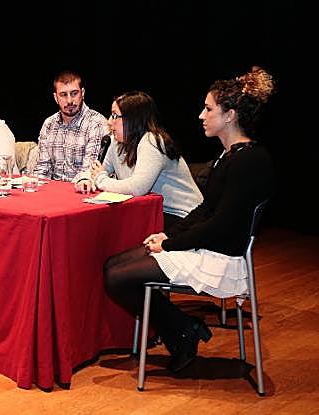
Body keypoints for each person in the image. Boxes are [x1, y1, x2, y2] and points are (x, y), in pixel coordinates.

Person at [102, 66, 275, 373]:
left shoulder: (249, 161)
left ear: (229, 115)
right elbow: (205, 210)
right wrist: (167, 237)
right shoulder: (229, 156)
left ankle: (181, 330)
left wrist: (172, 244)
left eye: (208, 109)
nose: (201, 115)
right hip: (205, 244)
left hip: (221, 257)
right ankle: (182, 329)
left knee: (117, 277)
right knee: (112, 266)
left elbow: (222, 225)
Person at [76, 90, 203, 231]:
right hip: (152, 211)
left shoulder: (151, 141)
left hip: (183, 216)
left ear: (133, 119)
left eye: (115, 116)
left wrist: (100, 179)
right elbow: (99, 170)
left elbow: (137, 188)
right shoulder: (115, 141)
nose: (109, 121)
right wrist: (86, 179)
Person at [33, 70, 108, 182]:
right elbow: (42, 169)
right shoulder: (49, 124)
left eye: (74, 93)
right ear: (55, 97)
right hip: (53, 189)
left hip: (82, 188)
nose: (69, 101)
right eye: (63, 95)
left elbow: (88, 174)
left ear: (82, 93)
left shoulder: (96, 123)